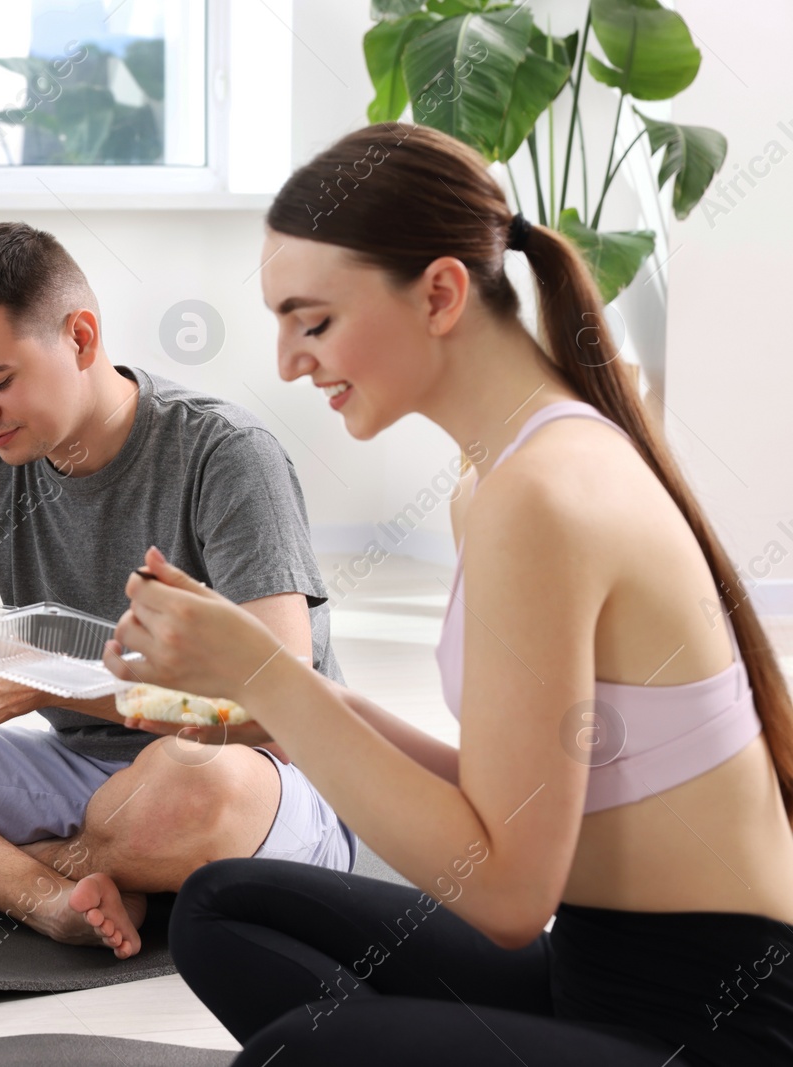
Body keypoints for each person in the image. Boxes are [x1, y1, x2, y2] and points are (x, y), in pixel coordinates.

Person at [106, 123, 793, 1065]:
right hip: (592, 971)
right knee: (225, 905)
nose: (288, 362)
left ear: (439, 293)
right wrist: (270, 702)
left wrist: (272, 676)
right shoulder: (498, 475)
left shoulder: (544, 495)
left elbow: (510, 896)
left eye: (312, 320)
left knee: (310, 1049)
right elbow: (501, 796)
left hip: (710, 1031)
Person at [0, 221, 354, 961]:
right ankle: (54, 899)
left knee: (192, 777)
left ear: (81, 339)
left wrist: (54, 689)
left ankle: (30, 869)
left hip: (248, 774)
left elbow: (277, 709)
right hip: (85, 780)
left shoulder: (226, 455)